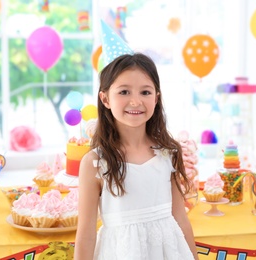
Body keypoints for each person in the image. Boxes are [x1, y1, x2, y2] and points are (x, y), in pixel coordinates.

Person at [74, 53, 199, 260]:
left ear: (156, 98)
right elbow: (86, 235)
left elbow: (181, 218)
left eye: (145, 92)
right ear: (105, 98)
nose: (135, 101)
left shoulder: (169, 153)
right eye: (124, 91)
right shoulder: (95, 163)